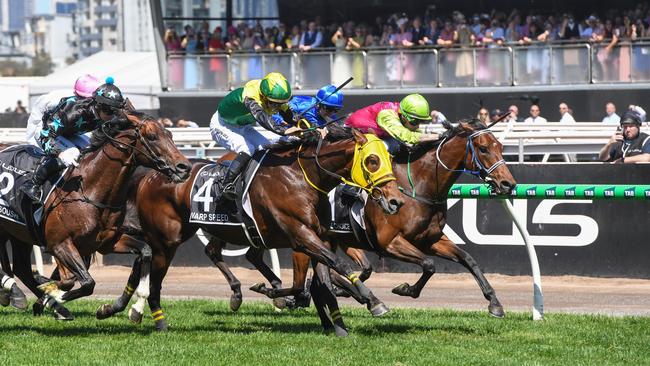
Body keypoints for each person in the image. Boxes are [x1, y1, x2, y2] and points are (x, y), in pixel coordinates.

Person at [21, 78, 127, 202]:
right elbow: (45, 135)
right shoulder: (73, 112)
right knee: (72, 154)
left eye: (116, 111)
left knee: (90, 152)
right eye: (111, 112)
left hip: (69, 131)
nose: (114, 116)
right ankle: (33, 183)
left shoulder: (103, 112)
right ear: (99, 106)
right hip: (46, 130)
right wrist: (60, 153)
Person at [209, 72, 297, 201]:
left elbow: (291, 117)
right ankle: (225, 186)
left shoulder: (273, 97)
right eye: (274, 104)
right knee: (247, 148)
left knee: (267, 146)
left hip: (242, 126)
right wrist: (284, 130)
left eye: (280, 104)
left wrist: (308, 127)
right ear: (263, 96)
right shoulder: (251, 96)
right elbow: (262, 118)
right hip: (221, 125)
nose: (277, 108)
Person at [345, 94, 440, 153]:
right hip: (351, 136)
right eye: (415, 121)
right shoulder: (387, 115)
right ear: (403, 116)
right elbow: (406, 136)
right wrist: (434, 137)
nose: (418, 125)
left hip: (372, 134)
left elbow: (417, 133)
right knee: (395, 145)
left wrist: (432, 136)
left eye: (421, 121)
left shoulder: (402, 113)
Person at [26, 74, 102, 146]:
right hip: (45, 126)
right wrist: (33, 143)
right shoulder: (53, 101)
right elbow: (34, 124)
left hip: (65, 129)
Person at [272, 84, 343, 129]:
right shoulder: (303, 105)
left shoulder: (332, 117)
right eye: (329, 109)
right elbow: (275, 111)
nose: (332, 113)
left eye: (336, 110)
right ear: (318, 104)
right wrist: (281, 120)